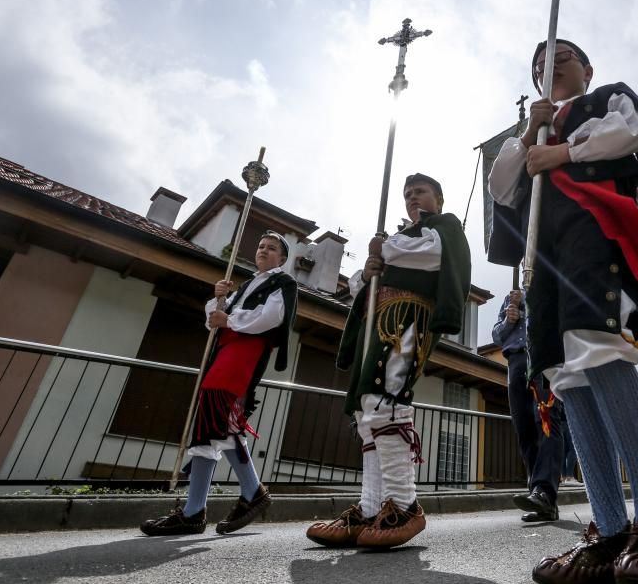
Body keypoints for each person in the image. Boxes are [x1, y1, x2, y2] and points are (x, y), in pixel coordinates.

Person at [488, 38, 638, 584]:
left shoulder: (606, 98)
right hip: (545, 255)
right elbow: (502, 185)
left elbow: (634, 133)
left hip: (593, 233)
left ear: (588, 69)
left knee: (598, 348)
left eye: (564, 56)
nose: (549, 64)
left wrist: (564, 152)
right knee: (565, 375)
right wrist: (532, 135)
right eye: (539, 63)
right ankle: (608, 527)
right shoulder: (531, 128)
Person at [306, 174, 471, 548]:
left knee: (386, 399)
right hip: (378, 322)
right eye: (408, 194)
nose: (413, 198)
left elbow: (434, 255)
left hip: (408, 316)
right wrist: (368, 268)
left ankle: (404, 504)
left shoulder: (444, 227)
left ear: (439, 199)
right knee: (367, 412)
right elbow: (361, 286)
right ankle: (370, 507)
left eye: (421, 192)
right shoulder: (402, 237)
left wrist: (384, 250)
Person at [141, 232, 298, 536]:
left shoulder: (283, 283)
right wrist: (219, 298)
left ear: (282, 258)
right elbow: (214, 319)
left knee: (218, 418)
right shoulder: (242, 286)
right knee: (210, 427)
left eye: (272, 248)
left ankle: (241, 495)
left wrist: (229, 319)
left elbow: (271, 318)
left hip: (244, 352)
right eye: (261, 246)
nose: (264, 250)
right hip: (225, 351)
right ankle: (196, 510)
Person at [491, 288, 564, 521]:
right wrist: (507, 320)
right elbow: (497, 336)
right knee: (524, 428)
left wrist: (526, 305)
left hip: (544, 359)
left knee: (546, 422)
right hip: (516, 362)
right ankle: (539, 496)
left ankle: (545, 491)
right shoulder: (509, 299)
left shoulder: (548, 286)